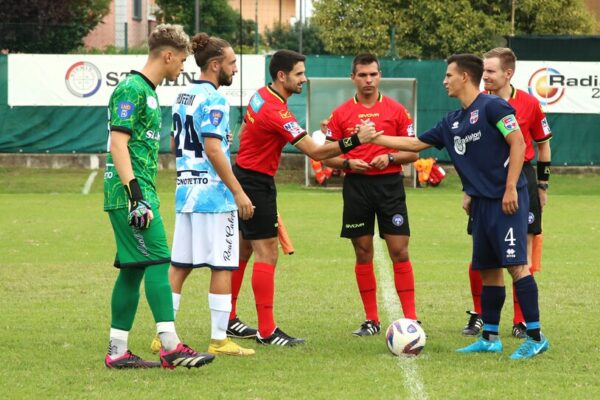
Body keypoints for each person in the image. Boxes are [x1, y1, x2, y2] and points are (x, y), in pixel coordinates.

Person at [373, 53, 549, 360]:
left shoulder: (493, 106)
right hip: (481, 205)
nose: (444, 81)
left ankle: (535, 336)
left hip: (505, 201)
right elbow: (415, 145)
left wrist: (511, 189)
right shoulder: (451, 122)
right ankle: (490, 337)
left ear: (465, 77)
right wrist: (376, 137)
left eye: (448, 75)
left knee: (516, 266)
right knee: (489, 271)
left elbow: (518, 143)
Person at [227, 49, 381, 346]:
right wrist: (356, 140)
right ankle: (267, 330)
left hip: (246, 175)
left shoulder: (261, 95)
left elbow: (247, 130)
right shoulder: (277, 110)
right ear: (282, 76)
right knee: (267, 253)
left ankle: (229, 319)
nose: (304, 78)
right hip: (256, 183)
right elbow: (316, 152)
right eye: (299, 73)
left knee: (244, 251)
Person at [103, 24, 214, 369]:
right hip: (131, 195)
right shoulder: (131, 89)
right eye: (181, 61)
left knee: (133, 270)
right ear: (168, 55)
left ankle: (117, 351)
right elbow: (117, 144)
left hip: (138, 192)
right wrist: (136, 196)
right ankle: (170, 346)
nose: (182, 68)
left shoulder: (147, 91)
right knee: (158, 260)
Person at [166, 33, 256, 357]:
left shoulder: (183, 96)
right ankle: (219, 339)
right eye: (232, 63)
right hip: (214, 198)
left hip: (185, 193)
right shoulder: (216, 99)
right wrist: (238, 191)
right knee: (223, 266)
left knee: (179, 265)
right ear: (215, 65)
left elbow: (179, 143)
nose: (235, 69)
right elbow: (213, 148)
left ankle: (162, 335)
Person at [322, 53, 419, 336]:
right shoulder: (340, 114)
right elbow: (327, 156)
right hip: (356, 187)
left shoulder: (397, 111)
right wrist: (348, 163)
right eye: (362, 75)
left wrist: (389, 158)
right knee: (363, 252)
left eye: (373, 74)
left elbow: (413, 150)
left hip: (390, 186)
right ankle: (371, 319)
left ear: (380, 76)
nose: (368, 80)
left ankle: (411, 318)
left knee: (399, 251)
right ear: (352, 77)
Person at [461, 47, 553, 339]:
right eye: (483, 71)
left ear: (507, 73)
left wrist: (542, 184)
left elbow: (542, 145)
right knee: (483, 255)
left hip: (520, 179)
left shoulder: (529, 104)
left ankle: (521, 320)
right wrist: (468, 188)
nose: (484, 76)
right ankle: (481, 318)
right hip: (484, 183)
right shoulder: (476, 103)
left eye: (489, 71)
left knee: (519, 256)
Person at [310, 118, 336, 185]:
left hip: (331, 154)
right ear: (320, 126)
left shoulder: (333, 133)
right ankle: (322, 180)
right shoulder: (316, 133)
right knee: (315, 162)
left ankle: (321, 178)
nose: (325, 126)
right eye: (323, 125)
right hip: (319, 154)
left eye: (326, 125)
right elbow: (315, 146)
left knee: (336, 159)